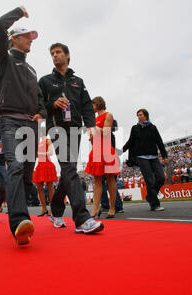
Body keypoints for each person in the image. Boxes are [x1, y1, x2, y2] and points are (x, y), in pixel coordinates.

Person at [0, 6, 47, 245]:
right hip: (10, 120)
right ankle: (19, 222)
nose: (31, 41)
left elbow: (40, 99)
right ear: (14, 38)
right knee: (14, 166)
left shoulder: (32, 69)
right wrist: (18, 12)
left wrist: (42, 114)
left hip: (30, 126)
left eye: (32, 38)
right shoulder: (3, 58)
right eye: (27, 37)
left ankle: (20, 219)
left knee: (26, 175)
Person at [39, 42, 104, 234]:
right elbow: (38, 105)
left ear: (67, 55)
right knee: (69, 168)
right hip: (56, 128)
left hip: (75, 129)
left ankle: (56, 211)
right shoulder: (45, 81)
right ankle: (82, 219)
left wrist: (91, 126)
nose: (55, 55)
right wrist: (52, 104)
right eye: (52, 53)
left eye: (58, 52)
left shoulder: (78, 81)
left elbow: (85, 105)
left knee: (69, 171)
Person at [123, 109, 169, 212]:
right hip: (141, 157)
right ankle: (155, 205)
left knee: (161, 177)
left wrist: (164, 156)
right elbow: (130, 141)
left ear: (146, 116)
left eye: (140, 115)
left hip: (153, 156)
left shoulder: (153, 128)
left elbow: (159, 142)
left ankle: (150, 196)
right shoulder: (135, 128)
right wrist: (121, 150)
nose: (139, 117)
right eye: (137, 115)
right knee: (150, 180)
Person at [85, 96, 121, 219]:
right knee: (97, 181)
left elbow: (106, 132)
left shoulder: (108, 115)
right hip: (96, 151)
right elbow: (93, 138)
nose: (91, 108)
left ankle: (112, 208)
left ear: (97, 104)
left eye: (92, 105)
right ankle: (95, 209)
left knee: (110, 179)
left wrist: (93, 128)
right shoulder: (93, 120)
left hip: (106, 149)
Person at [33, 138, 58, 217]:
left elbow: (51, 153)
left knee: (50, 187)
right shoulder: (37, 141)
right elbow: (36, 155)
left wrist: (39, 153)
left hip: (47, 165)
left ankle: (52, 208)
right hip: (40, 165)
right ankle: (44, 209)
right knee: (39, 188)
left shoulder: (48, 140)